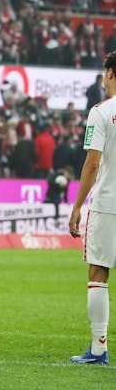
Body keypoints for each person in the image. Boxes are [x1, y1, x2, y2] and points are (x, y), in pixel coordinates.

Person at [67, 50, 116, 365]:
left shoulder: (101, 112)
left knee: (98, 271)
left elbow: (92, 163)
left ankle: (98, 349)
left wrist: (77, 206)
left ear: (109, 73)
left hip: (109, 203)